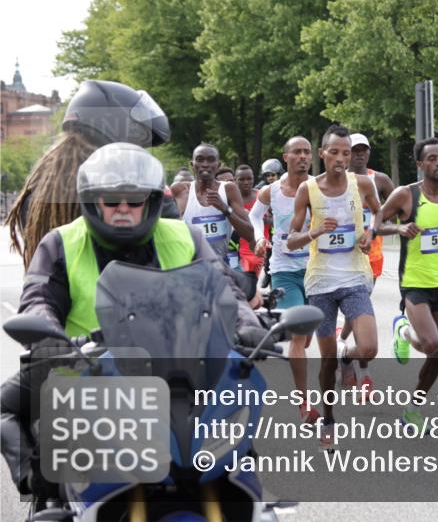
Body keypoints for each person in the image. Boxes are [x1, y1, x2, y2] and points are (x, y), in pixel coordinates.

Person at [0, 143, 270, 504]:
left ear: (151, 201)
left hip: (178, 369)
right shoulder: (63, 243)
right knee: (7, 407)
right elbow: (38, 299)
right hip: (85, 370)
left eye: (134, 201)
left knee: (237, 443)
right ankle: (40, 489)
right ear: (94, 202)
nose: (123, 209)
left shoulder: (184, 237)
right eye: (112, 202)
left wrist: (246, 324)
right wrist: (50, 339)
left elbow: (224, 288)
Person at [5, 79, 170, 268]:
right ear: (113, 130)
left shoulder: (42, 188)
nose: (137, 151)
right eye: (135, 141)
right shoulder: (107, 189)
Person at [286, 125, 380, 445]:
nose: (341, 158)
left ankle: (347, 356)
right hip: (320, 284)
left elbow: (380, 216)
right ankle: (328, 417)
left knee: (369, 347)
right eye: (334, 152)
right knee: (324, 361)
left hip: (354, 278)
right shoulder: (307, 190)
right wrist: (314, 233)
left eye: (346, 153)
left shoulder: (363, 183)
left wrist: (370, 234)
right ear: (322, 154)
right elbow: (291, 240)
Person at [375, 137, 438, 427]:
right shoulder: (406, 195)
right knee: (431, 344)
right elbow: (376, 224)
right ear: (420, 164)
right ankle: (403, 331)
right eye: (431, 158)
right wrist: (399, 227)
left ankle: (412, 410)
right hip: (414, 283)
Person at [251, 137, 317, 421]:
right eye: (297, 152)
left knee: (311, 336)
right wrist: (258, 238)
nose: (303, 157)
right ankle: (304, 402)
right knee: (299, 337)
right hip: (284, 269)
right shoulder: (271, 191)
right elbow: (254, 216)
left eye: (307, 152)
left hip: (316, 269)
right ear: (286, 157)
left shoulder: (320, 187)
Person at [337, 132, 396, 395]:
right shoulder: (335, 180)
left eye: (364, 150)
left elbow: (401, 205)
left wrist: (390, 223)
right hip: (342, 256)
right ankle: (363, 371)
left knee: (358, 308)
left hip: (371, 256)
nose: (360, 154)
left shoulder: (379, 180)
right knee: (360, 309)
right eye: (355, 149)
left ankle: (343, 345)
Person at [171, 144, 254, 271]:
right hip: (189, 266)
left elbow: (249, 234)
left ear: (218, 165)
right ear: (192, 164)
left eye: (210, 160)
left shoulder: (229, 189)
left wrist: (225, 209)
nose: (205, 164)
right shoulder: (180, 190)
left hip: (221, 266)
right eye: (200, 159)